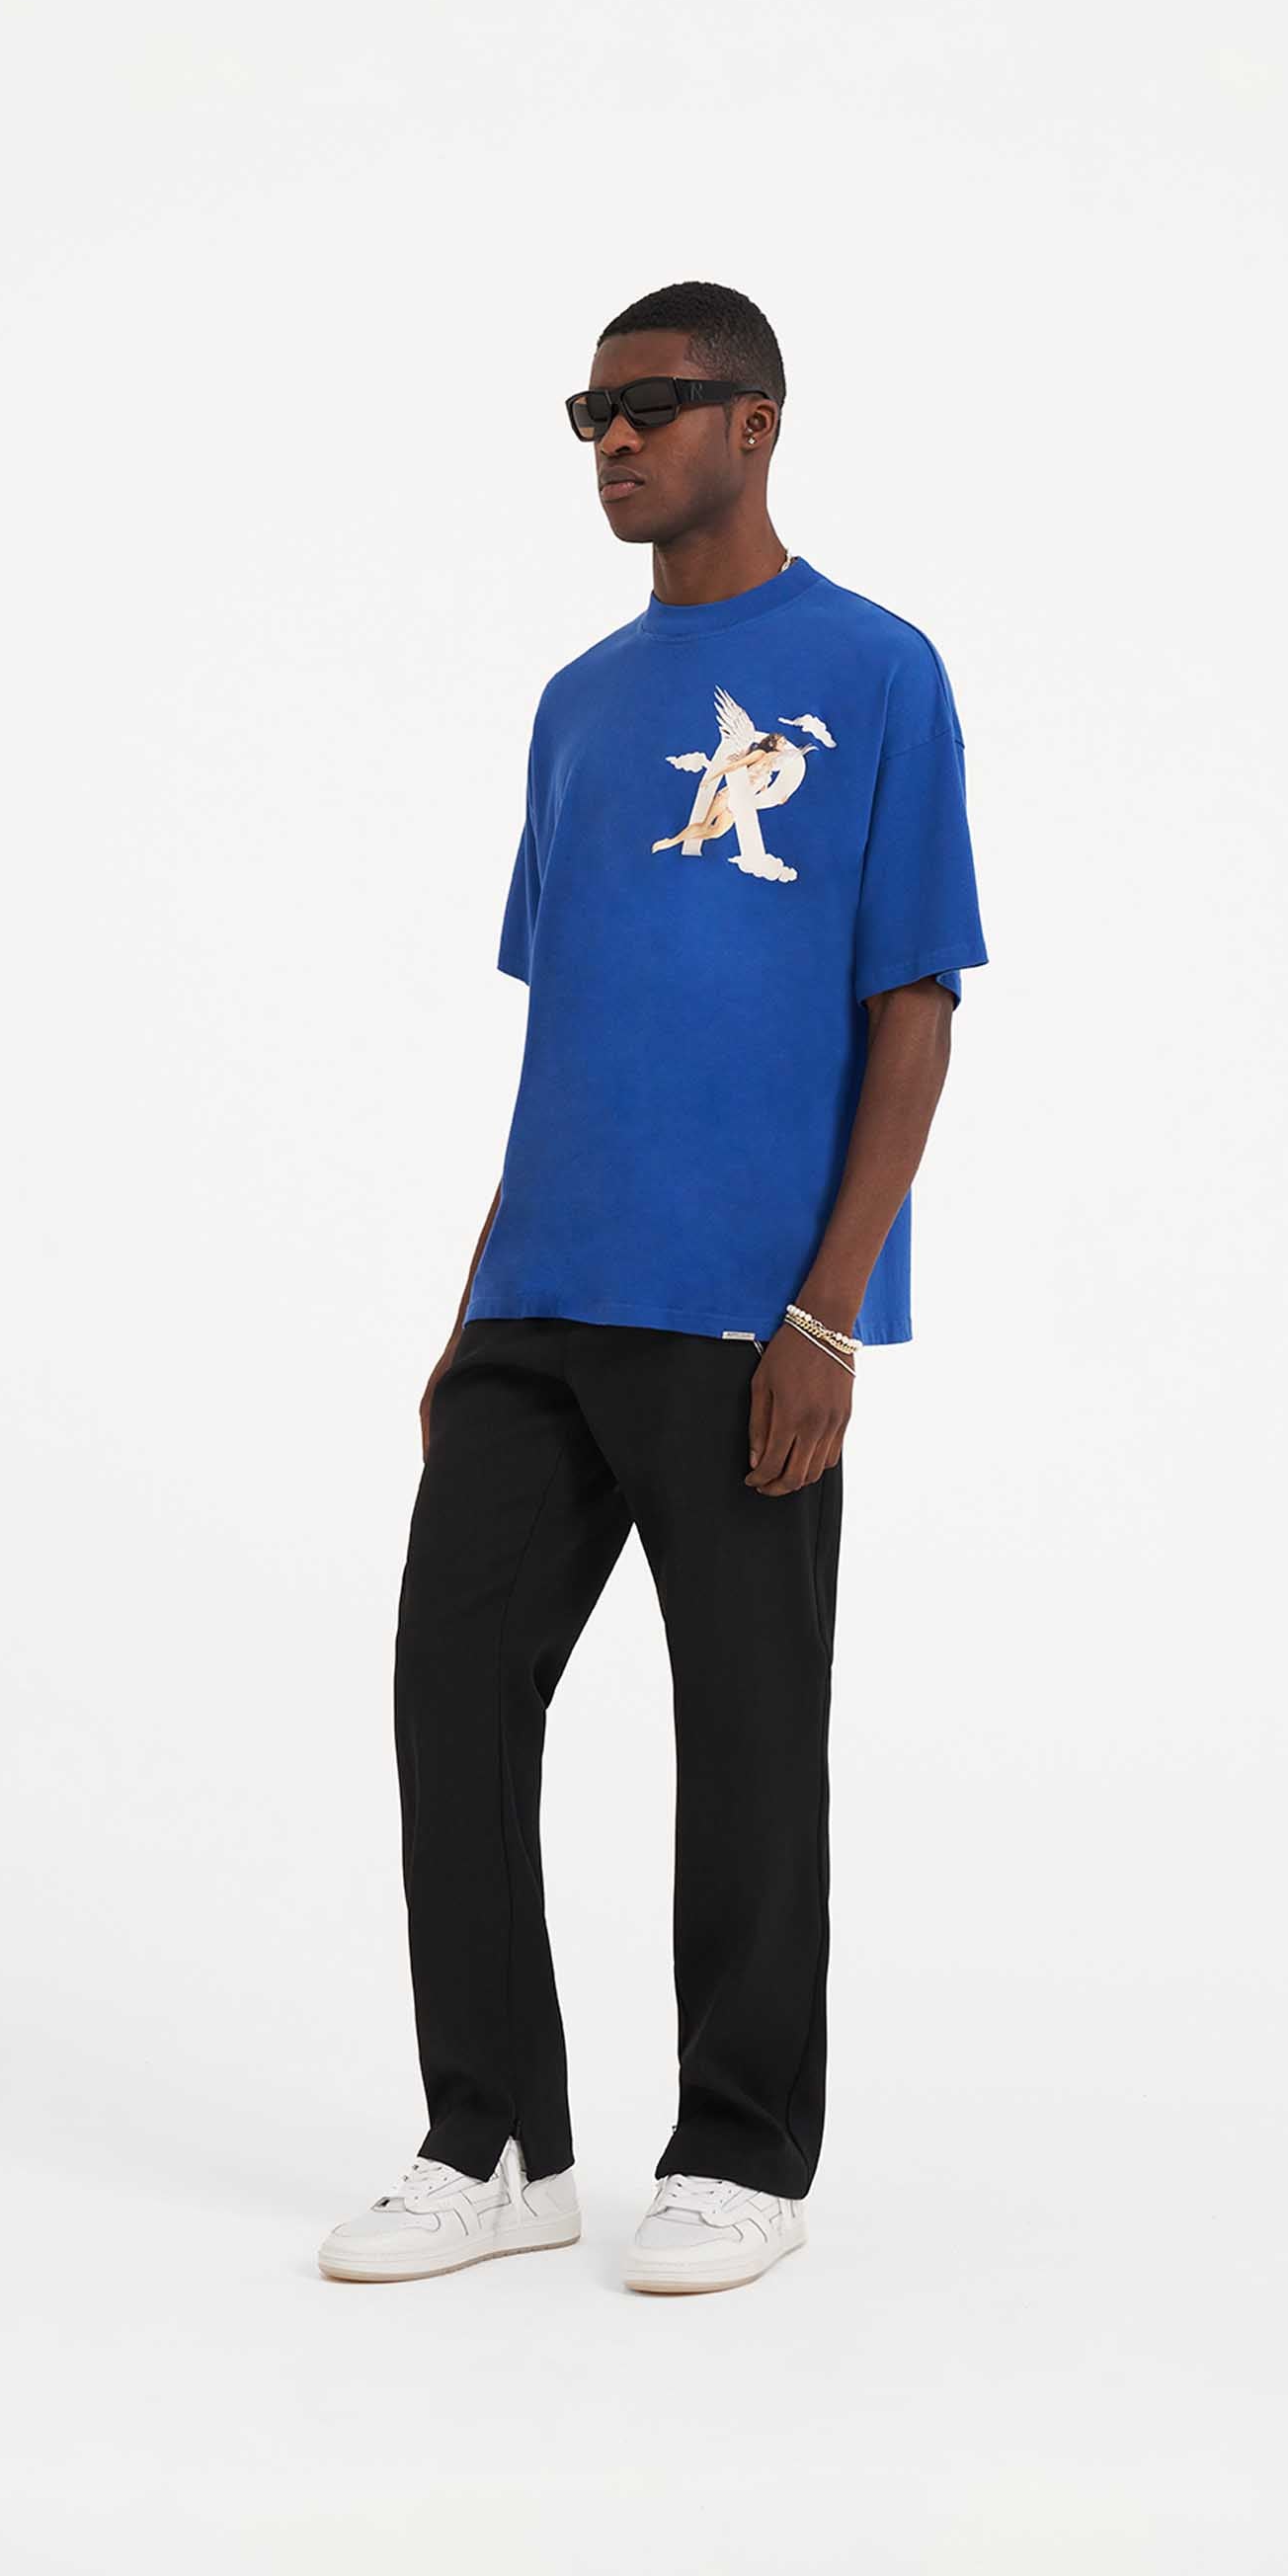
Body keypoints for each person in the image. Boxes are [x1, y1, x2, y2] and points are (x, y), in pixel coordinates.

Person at [318, 281, 989, 2295]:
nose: (612, 440)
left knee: (749, 1726)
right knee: (452, 1692)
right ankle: (497, 2139)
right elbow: (576, 1037)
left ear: (754, 423)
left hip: (741, 1310)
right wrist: (470, 1312)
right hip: (542, 1295)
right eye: (589, 413)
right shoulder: (577, 706)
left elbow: (912, 1008)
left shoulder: (877, 671)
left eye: (653, 404)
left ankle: (743, 2150)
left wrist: (827, 1313)